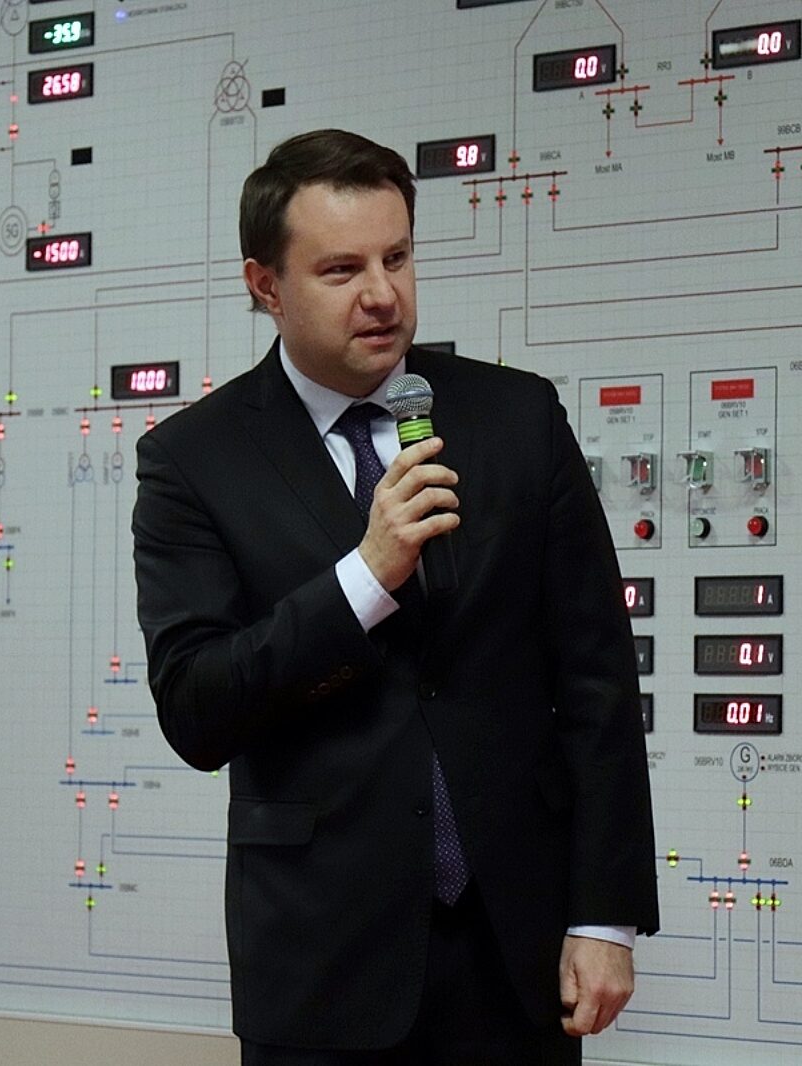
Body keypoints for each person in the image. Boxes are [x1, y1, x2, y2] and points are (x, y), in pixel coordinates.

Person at [132, 129, 658, 1065]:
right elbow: (197, 708)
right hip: (322, 964)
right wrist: (364, 579)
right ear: (265, 286)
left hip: (514, 952)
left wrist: (604, 915)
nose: (382, 294)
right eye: (341, 270)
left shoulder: (519, 417)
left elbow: (597, 679)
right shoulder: (193, 461)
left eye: (398, 258)